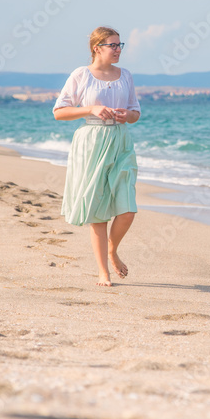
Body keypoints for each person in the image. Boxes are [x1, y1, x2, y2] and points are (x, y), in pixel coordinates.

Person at [53, 26, 141, 287]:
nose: (118, 50)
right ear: (97, 48)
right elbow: (59, 112)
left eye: (119, 45)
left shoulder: (125, 76)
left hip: (121, 141)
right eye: (112, 45)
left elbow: (136, 112)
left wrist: (128, 116)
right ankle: (103, 271)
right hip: (91, 142)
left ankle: (112, 250)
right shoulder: (81, 75)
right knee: (98, 211)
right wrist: (90, 108)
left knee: (127, 210)